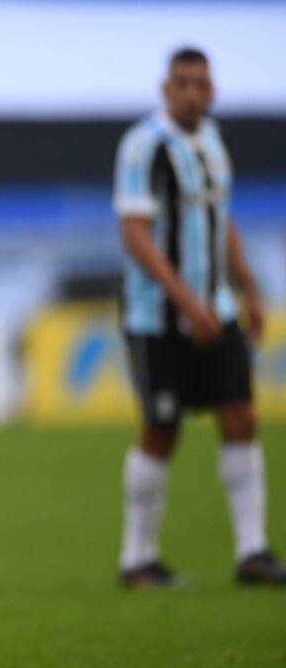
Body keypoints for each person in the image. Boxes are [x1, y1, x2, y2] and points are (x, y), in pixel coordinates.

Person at [113, 47, 284, 588]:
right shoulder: (144, 146)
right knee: (162, 428)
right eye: (181, 82)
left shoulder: (211, 141)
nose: (191, 91)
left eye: (200, 83)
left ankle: (252, 552)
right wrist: (187, 301)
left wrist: (248, 288)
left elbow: (219, 218)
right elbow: (135, 234)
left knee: (241, 417)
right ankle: (136, 559)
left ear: (212, 91)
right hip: (160, 317)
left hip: (219, 310)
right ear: (166, 88)